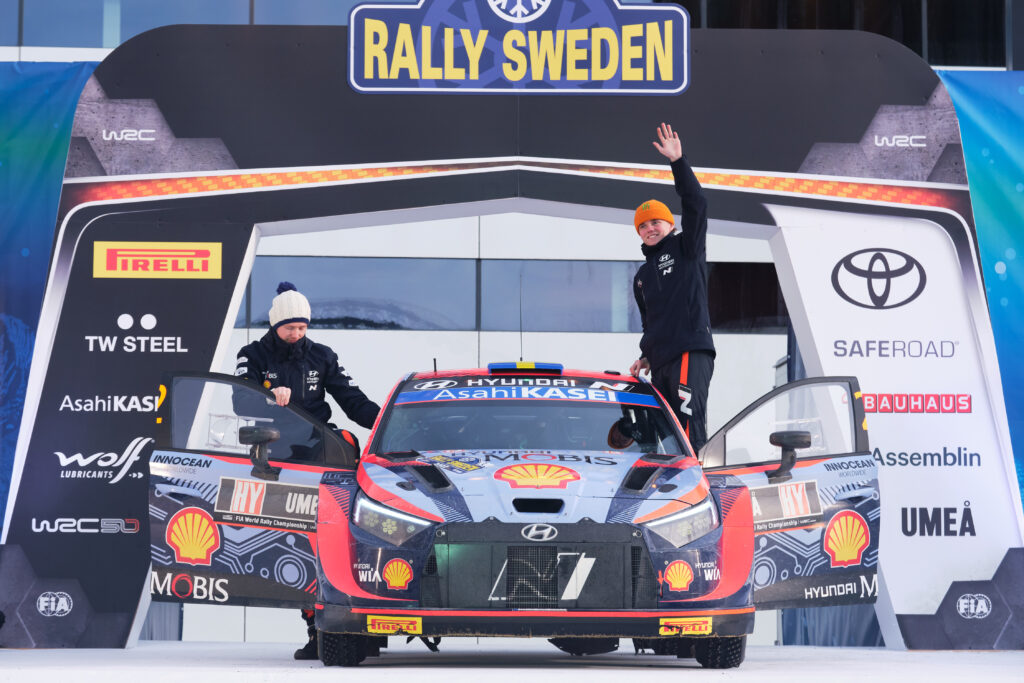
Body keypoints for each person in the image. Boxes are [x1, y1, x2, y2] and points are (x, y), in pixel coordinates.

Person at [235, 281, 380, 661]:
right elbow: (240, 401)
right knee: (296, 542)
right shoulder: (252, 354)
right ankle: (316, 631)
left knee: (335, 538)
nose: (297, 334)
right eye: (290, 328)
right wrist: (269, 395)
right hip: (277, 454)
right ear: (275, 325)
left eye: (302, 327)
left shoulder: (322, 355)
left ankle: (359, 626)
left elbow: (352, 400)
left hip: (321, 449)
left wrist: (387, 423)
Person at [629, 123, 715, 453]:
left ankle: (700, 483)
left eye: (656, 221)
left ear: (670, 224)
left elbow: (697, 203)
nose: (650, 228)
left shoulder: (686, 247)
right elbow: (650, 323)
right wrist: (646, 356)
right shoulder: (641, 275)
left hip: (689, 350)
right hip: (662, 360)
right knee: (667, 438)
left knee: (689, 431)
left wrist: (677, 162)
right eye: (643, 225)